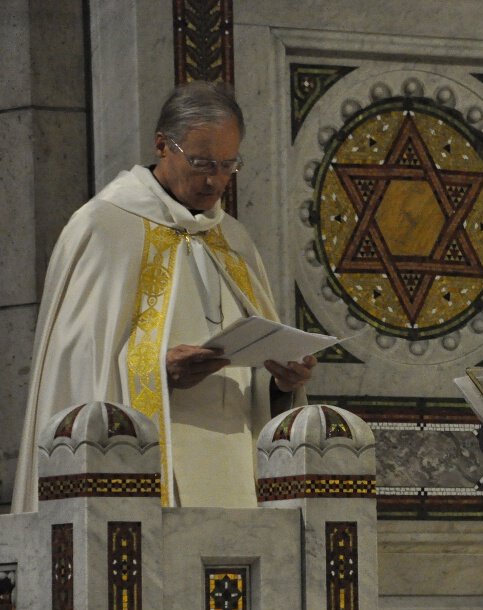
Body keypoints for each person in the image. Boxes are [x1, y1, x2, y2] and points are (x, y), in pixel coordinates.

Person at [13, 81, 315, 512]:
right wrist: (157, 371)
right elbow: (77, 364)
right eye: (201, 162)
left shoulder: (234, 240)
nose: (215, 180)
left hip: (240, 478)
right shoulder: (104, 226)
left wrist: (282, 381)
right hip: (150, 468)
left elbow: (258, 374)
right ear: (161, 145)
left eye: (230, 164)